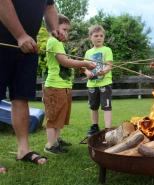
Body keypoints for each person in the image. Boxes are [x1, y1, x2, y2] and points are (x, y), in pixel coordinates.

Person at [0, 0, 64, 173]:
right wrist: (20, 35)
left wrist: (54, 28)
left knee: (21, 97)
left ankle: (23, 150)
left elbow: (49, 6)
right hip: (4, 42)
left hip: (29, 46)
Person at [43, 14, 96, 154]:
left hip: (64, 86)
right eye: (64, 29)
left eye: (67, 30)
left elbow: (66, 62)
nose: (66, 33)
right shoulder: (53, 41)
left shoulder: (59, 43)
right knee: (53, 117)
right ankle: (50, 145)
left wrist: (80, 66)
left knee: (60, 116)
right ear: (54, 28)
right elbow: (64, 62)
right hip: (55, 86)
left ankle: (56, 140)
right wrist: (84, 62)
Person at [83, 25, 113, 136]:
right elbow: (84, 67)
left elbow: (109, 65)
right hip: (92, 84)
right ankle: (95, 126)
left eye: (101, 36)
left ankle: (108, 129)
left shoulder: (107, 50)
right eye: (96, 36)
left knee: (106, 106)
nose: (99, 38)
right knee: (93, 106)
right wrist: (87, 73)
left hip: (105, 83)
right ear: (90, 37)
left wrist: (104, 71)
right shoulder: (88, 53)